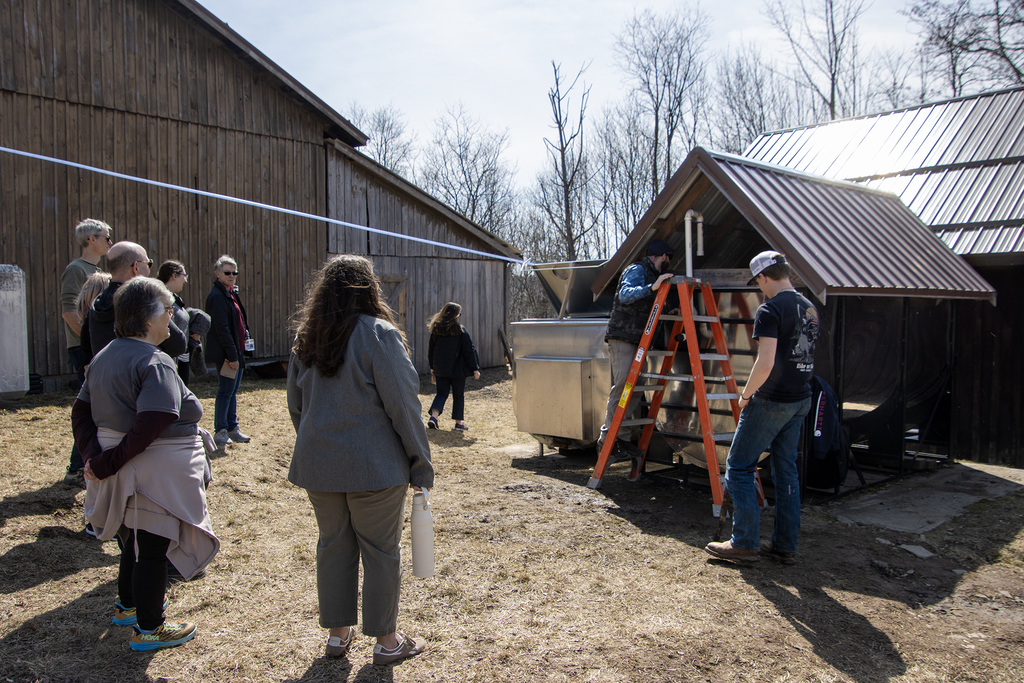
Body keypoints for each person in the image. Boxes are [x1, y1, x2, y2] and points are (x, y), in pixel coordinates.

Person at [287, 255, 433, 666]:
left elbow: (296, 407)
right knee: (381, 551)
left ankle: (337, 636)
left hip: (320, 466)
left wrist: (320, 447)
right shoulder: (379, 334)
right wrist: (420, 463)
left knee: (333, 546)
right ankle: (387, 642)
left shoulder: (307, 337)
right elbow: (404, 408)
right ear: (369, 289)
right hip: (375, 468)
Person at [72, 277, 219, 651]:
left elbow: (81, 412)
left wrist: (96, 457)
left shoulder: (106, 354)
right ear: (146, 317)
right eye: (167, 311)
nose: (172, 319)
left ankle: (128, 606)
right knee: (152, 548)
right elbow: (152, 421)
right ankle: (150, 628)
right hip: (152, 475)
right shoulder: (155, 361)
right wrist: (104, 462)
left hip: (127, 468)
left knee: (134, 543)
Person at [705, 251, 819, 566]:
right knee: (786, 470)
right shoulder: (808, 307)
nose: (759, 289)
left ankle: (743, 543)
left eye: (758, 283)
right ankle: (784, 545)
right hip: (800, 400)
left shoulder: (770, 309)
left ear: (764, 277)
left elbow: (765, 362)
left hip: (771, 401)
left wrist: (745, 396)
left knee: (739, 467)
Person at [598, 239, 675, 458]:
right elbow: (625, 294)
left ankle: (620, 438)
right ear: (662, 256)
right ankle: (607, 439)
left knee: (633, 388)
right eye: (668, 258)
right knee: (623, 384)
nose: (667, 263)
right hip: (623, 337)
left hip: (639, 341)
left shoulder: (653, 277)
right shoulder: (637, 270)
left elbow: (653, 303)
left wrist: (671, 310)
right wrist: (653, 287)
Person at [60, 218, 112, 485]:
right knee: (90, 407)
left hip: (93, 347)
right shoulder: (76, 269)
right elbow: (69, 311)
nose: (110, 241)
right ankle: (76, 468)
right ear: (91, 239)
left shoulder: (95, 269)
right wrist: (90, 342)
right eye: (106, 236)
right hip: (85, 348)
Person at [81, 241, 186, 363]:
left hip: (107, 377)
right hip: (138, 376)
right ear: (136, 267)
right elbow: (178, 345)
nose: (150, 268)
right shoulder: (142, 299)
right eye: (149, 264)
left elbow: (86, 350)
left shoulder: (97, 303)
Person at [205, 255, 252, 450]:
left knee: (232, 391)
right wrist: (232, 357)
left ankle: (233, 428)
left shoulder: (230, 293)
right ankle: (221, 431)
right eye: (227, 272)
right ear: (218, 274)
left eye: (235, 272)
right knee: (225, 391)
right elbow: (222, 329)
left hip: (237, 351)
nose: (232, 276)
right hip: (227, 353)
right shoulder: (217, 296)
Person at [426, 302, 481, 431]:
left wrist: (432, 366)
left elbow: (431, 350)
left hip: (440, 369)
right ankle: (458, 423)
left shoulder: (436, 329)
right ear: (456, 316)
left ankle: (433, 418)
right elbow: (469, 350)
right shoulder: (460, 330)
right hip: (457, 370)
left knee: (441, 394)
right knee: (458, 395)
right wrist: (475, 368)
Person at [156, 260, 202, 385]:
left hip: (181, 359)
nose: (185, 280)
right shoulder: (162, 299)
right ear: (174, 276)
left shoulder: (174, 299)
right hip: (171, 360)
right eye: (184, 276)